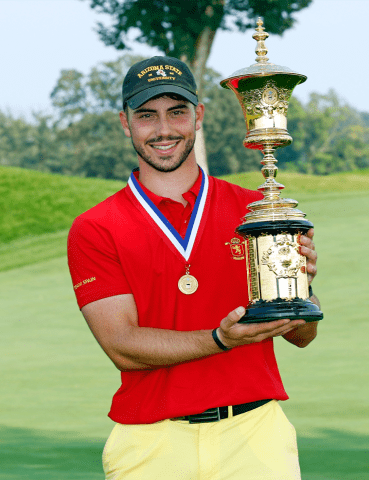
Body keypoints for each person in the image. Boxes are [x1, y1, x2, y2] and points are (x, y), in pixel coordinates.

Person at [67, 56, 321, 480]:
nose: (163, 130)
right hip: (151, 444)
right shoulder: (96, 227)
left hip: (255, 436)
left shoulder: (254, 210)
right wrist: (220, 339)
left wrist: (298, 290)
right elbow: (122, 346)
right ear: (125, 123)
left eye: (177, 112)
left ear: (198, 116)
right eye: (146, 116)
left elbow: (303, 335)